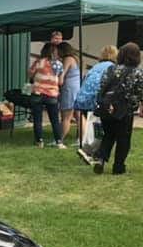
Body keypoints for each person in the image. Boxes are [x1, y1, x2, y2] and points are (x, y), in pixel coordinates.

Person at [93, 42, 143, 176]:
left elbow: (102, 85)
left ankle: (101, 159)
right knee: (123, 139)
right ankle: (118, 167)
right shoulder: (138, 72)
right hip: (125, 110)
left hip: (107, 107)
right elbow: (139, 91)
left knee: (108, 135)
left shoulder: (110, 69)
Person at [27, 43, 65, 148]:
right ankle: (59, 142)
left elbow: (30, 74)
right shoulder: (59, 64)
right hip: (52, 94)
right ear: (54, 52)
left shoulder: (38, 62)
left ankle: (39, 141)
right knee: (55, 120)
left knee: (37, 119)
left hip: (37, 93)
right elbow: (61, 81)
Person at [57, 41, 81, 140]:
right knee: (78, 116)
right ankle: (81, 139)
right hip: (76, 89)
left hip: (69, 90)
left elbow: (61, 78)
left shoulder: (67, 59)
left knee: (66, 117)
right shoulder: (75, 59)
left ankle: (60, 139)